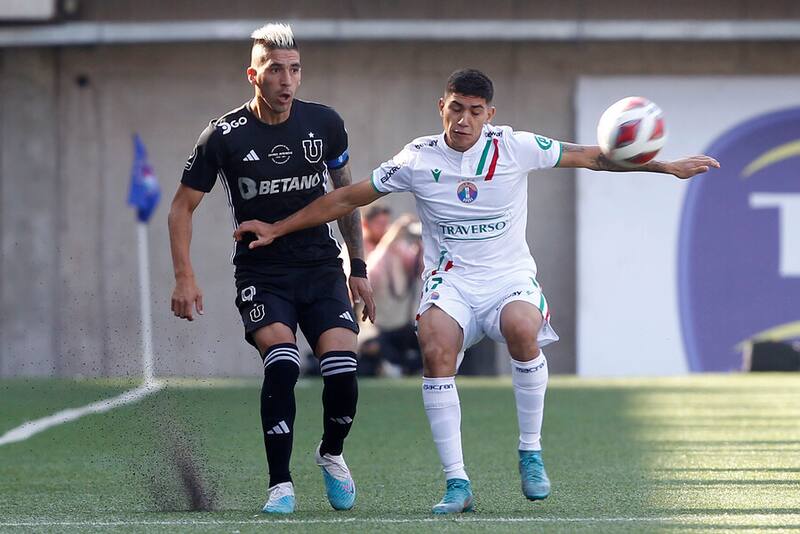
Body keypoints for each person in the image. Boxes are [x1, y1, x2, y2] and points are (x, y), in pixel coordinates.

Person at [233, 68, 720, 513]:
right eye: (456, 109)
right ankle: (456, 483)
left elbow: (592, 157)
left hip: (509, 276)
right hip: (452, 282)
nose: (464, 120)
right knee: (435, 346)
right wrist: (277, 227)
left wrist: (664, 167)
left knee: (521, 329)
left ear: (490, 114)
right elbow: (344, 197)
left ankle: (530, 451)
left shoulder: (516, 146)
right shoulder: (417, 159)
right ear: (441, 107)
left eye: (475, 111)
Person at [167, 23, 374, 515]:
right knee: (282, 364)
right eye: (275, 70)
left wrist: (358, 266)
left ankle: (331, 453)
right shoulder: (222, 135)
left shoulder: (324, 123)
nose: (287, 80)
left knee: (342, 369)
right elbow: (181, 208)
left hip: (321, 267)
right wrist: (184, 276)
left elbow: (345, 197)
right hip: (264, 272)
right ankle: (279, 484)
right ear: (253, 76)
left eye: (294, 70)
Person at [357, 205, 423, 376]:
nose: (384, 228)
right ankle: (390, 367)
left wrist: (422, 244)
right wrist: (390, 239)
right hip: (372, 328)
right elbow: (369, 276)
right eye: (379, 223)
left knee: (431, 344)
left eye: (386, 224)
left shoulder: (397, 247)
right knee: (370, 355)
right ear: (365, 225)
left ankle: (397, 367)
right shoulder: (355, 249)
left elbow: (421, 272)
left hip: (401, 325)